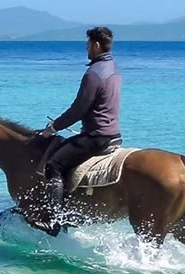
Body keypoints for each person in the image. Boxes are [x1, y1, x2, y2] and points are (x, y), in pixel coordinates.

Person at [36, 26, 123, 235]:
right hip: (112, 133)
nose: (86, 49)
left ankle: (54, 221)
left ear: (95, 45)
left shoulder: (94, 74)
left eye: (87, 45)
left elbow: (78, 109)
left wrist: (53, 127)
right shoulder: (113, 68)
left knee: (53, 166)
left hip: (96, 136)